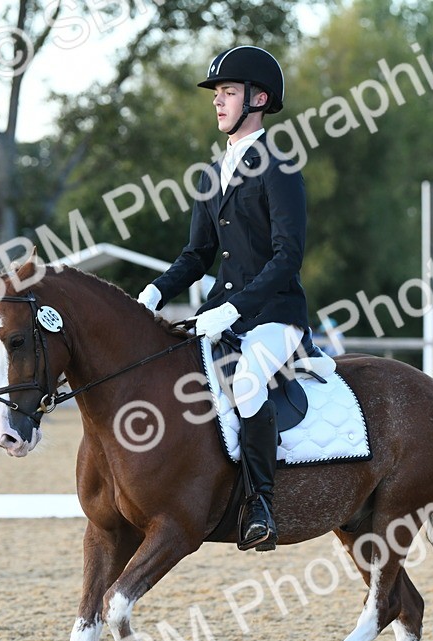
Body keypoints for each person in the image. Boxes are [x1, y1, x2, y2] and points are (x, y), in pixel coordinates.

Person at [138, 45, 308, 552]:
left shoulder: (279, 167)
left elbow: (288, 257)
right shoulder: (211, 175)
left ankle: (260, 506)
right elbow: (198, 255)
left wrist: (236, 308)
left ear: (258, 99)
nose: (217, 101)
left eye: (228, 92)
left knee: (248, 383)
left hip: (274, 316)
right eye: (217, 93)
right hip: (220, 316)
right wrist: (156, 291)